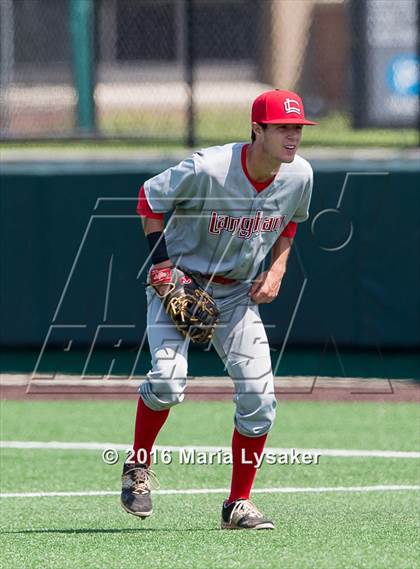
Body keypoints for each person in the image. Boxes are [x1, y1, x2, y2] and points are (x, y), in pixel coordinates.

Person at [121, 89, 316, 530]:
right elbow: (149, 200)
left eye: (298, 128)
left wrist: (279, 267)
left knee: (260, 402)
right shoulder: (209, 168)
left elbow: (291, 220)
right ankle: (136, 467)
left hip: (238, 296)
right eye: (283, 128)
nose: (293, 137)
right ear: (257, 129)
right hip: (181, 284)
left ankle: (238, 505)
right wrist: (163, 266)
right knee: (169, 382)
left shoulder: (298, 174)